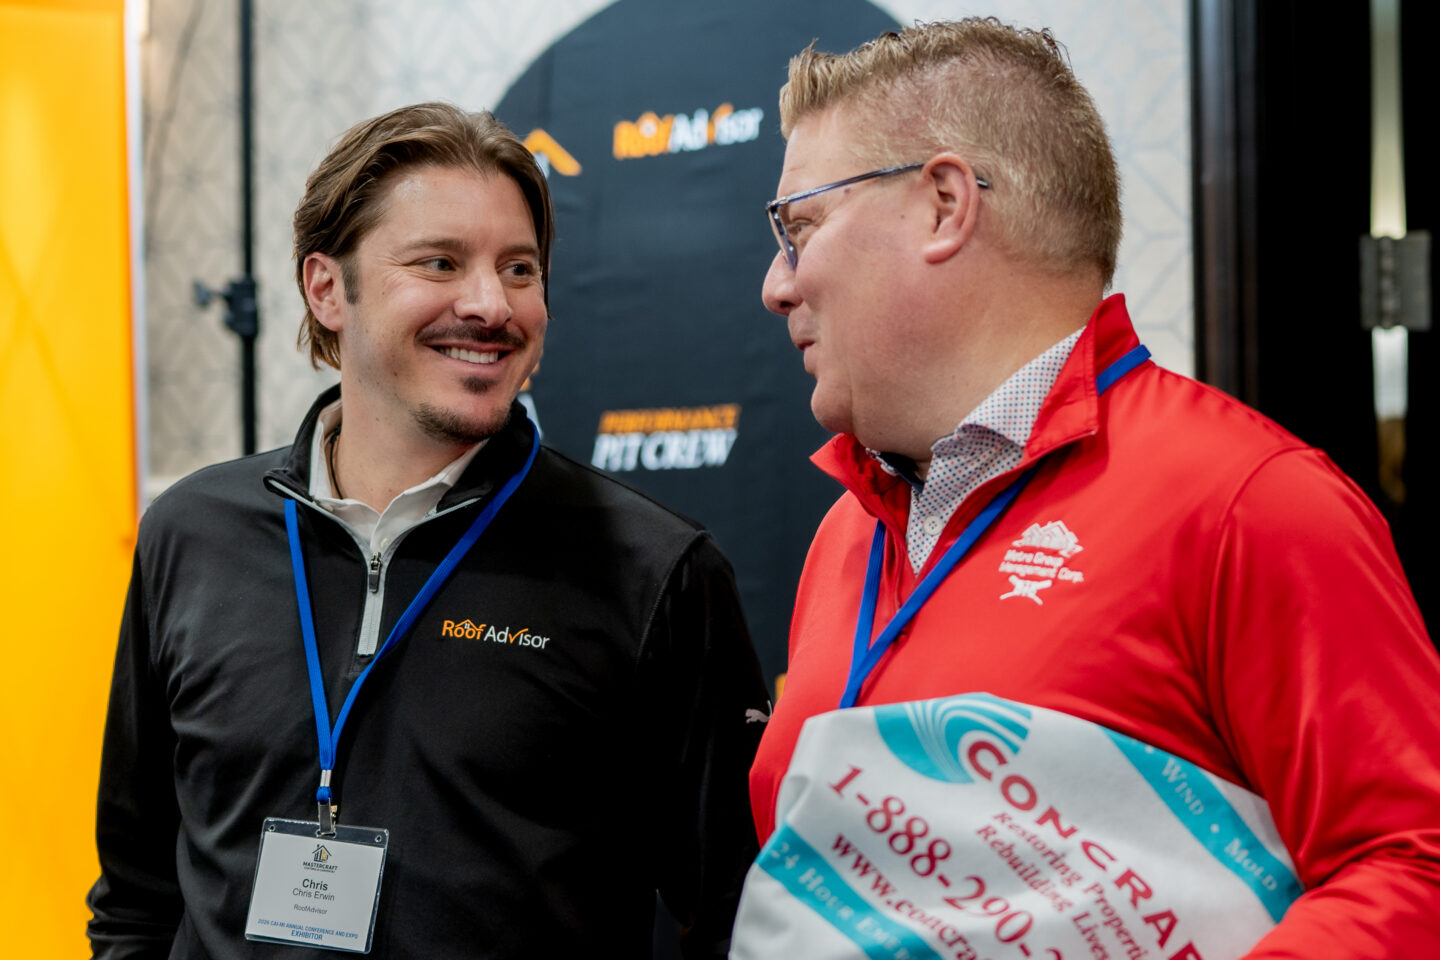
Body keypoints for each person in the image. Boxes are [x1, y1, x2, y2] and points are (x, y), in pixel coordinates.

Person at [733, 19, 1440, 960]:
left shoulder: (1249, 503)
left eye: (801, 225)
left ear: (945, 204)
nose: (777, 285)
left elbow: (1412, 867)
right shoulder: (845, 539)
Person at [87, 102, 769, 959]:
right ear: (327, 288)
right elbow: (137, 895)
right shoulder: (192, 532)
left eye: (520, 269)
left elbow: (740, 915)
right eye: (440, 262)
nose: (491, 305)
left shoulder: (654, 570)